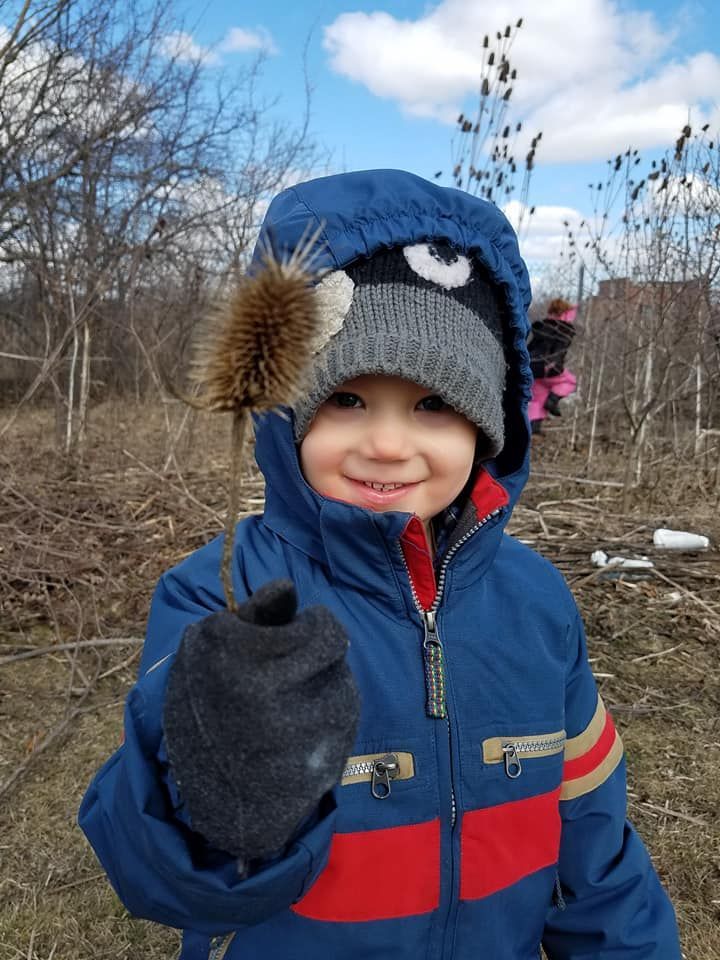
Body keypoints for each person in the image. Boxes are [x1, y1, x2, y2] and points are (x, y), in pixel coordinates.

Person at [79, 170, 680, 959]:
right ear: (285, 411)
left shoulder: (537, 603)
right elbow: (163, 876)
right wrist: (233, 786)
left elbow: (593, 843)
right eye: (348, 401)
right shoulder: (223, 597)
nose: (389, 443)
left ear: (490, 425)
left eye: (434, 405)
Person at [527, 297, 578, 434]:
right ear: (566, 313)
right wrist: (551, 367)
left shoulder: (542, 326)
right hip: (549, 369)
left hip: (533, 368)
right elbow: (558, 353)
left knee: (538, 397)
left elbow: (531, 347)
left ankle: (533, 426)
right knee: (570, 381)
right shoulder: (564, 330)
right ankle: (553, 400)